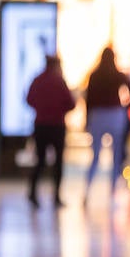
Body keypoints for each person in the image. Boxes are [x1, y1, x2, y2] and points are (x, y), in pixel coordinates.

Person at [82, 46, 130, 202]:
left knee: (95, 155)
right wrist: (126, 106)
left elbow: (88, 100)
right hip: (115, 115)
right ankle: (112, 192)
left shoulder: (95, 75)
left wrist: (87, 120)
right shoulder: (118, 75)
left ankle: (87, 189)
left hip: (98, 116)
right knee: (116, 155)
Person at [25, 54, 75, 208]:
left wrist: (41, 109)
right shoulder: (59, 82)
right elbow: (71, 103)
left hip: (40, 125)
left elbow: (28, 99)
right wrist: (58, 111)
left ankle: (33, 193)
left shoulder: (38, 80)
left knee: (39, 161)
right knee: (58, 162)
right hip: (56, 126)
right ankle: (56, 197)